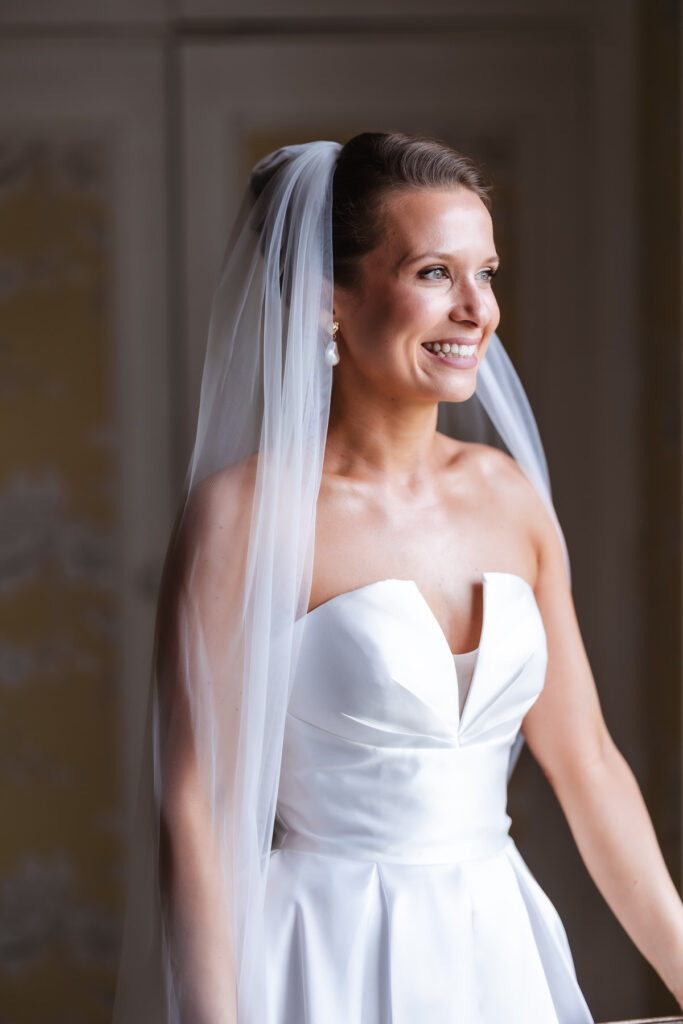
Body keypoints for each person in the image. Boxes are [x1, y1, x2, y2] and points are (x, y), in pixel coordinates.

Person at [112, 133, 683, 1024]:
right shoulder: (245, 517)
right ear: (326, 300)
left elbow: (588, 763)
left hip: (494, 947)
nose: (477, 310)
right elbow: (197, 805)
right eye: (433, 273)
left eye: (484, 274)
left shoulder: (507, 496)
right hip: (320, 955)